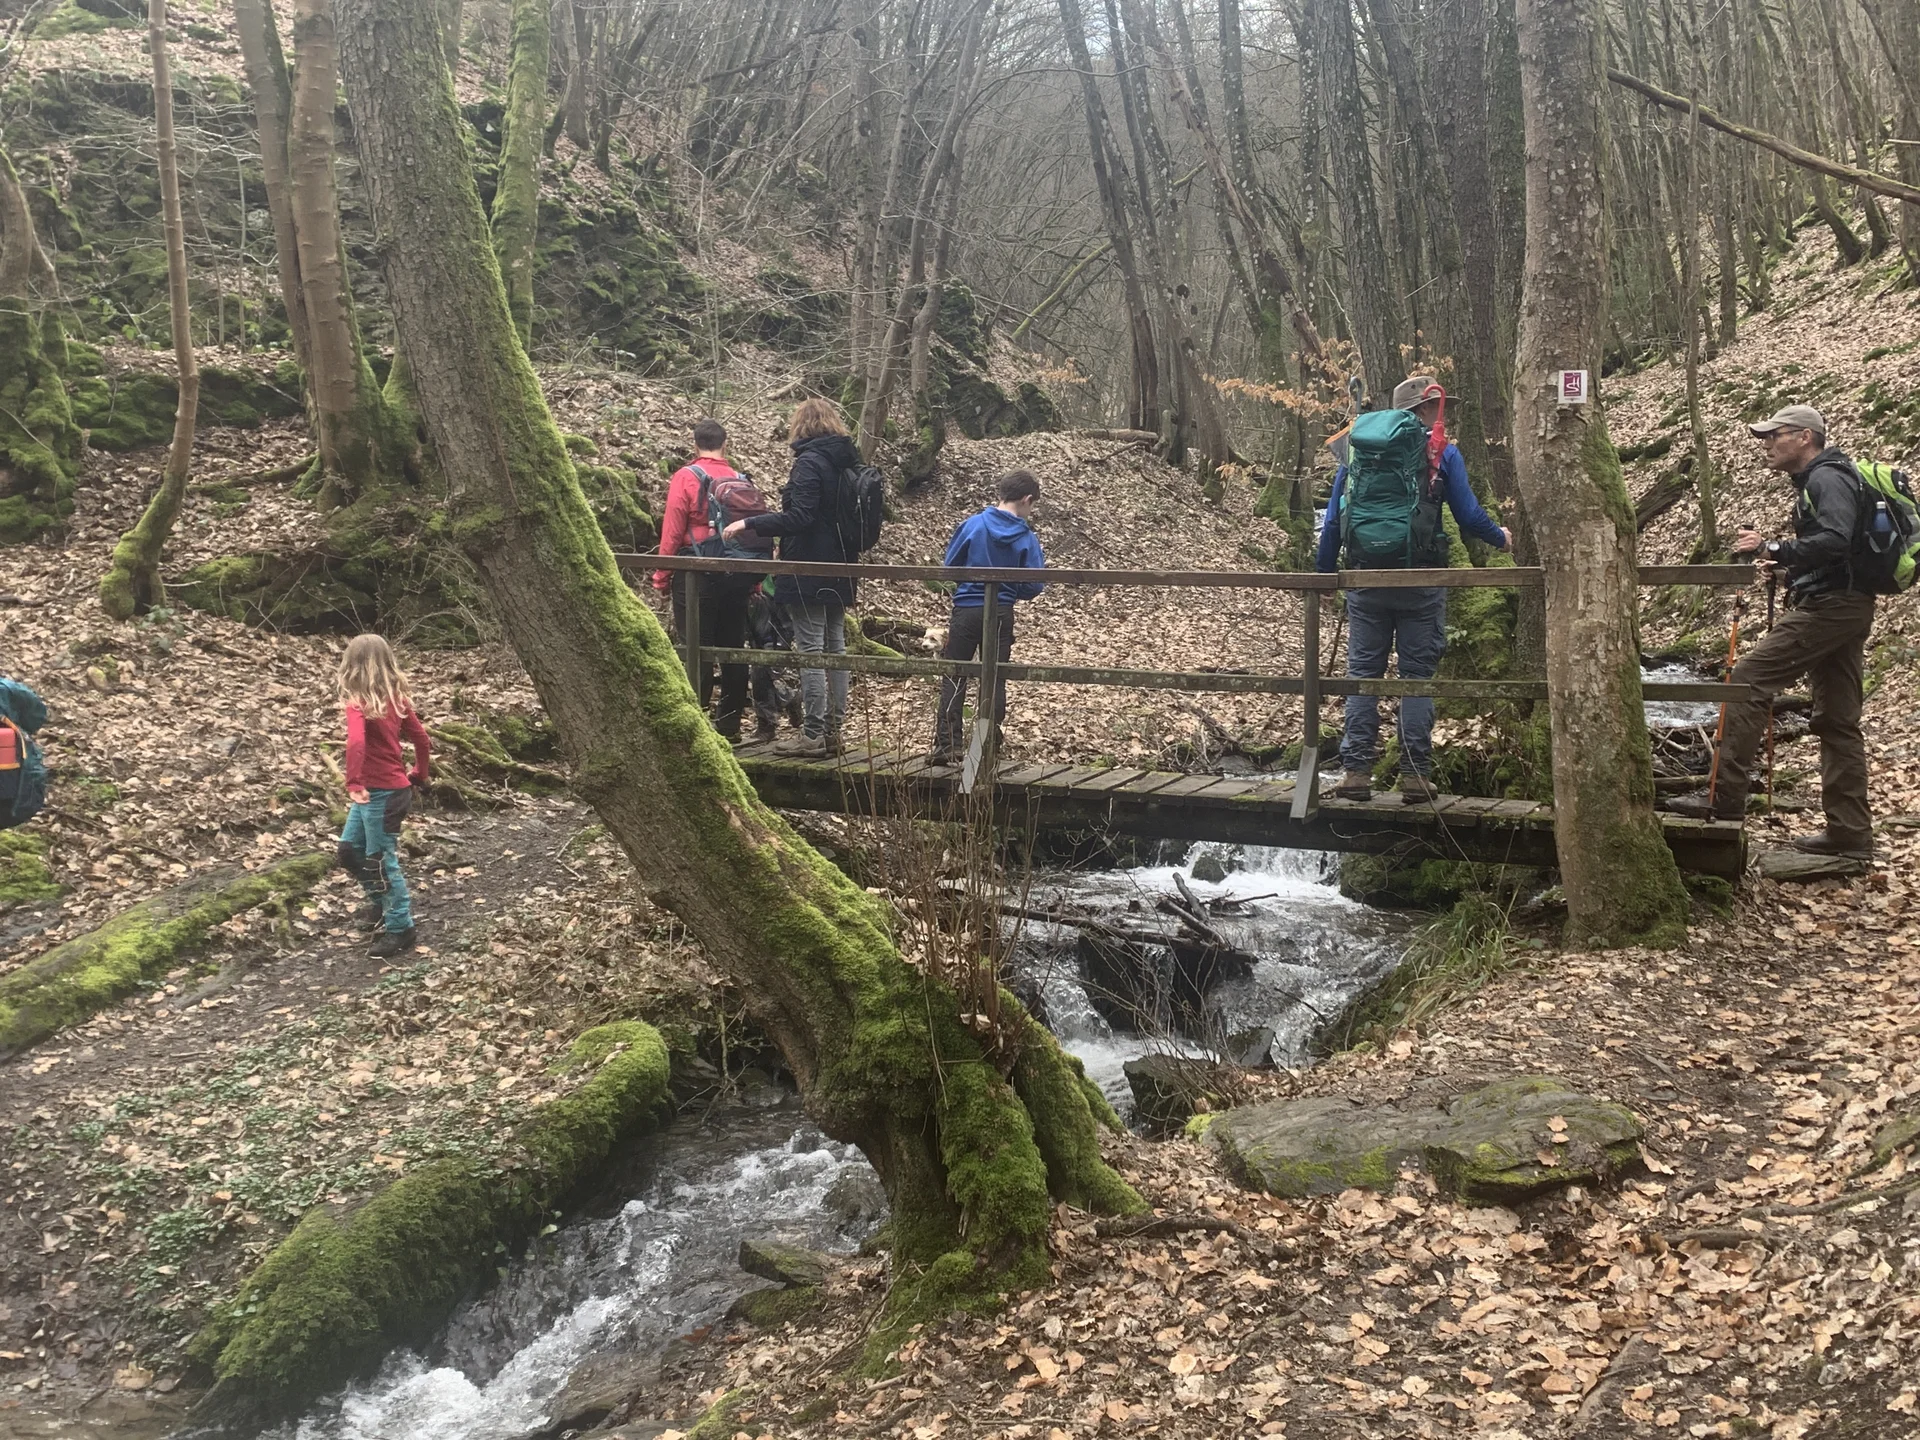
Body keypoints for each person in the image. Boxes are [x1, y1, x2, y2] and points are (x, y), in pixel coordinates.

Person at [1668, 406, 1877, 856]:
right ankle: (1850, 833)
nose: (1767, 444)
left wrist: (1775, 547)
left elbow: (1836, 540)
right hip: (1848, 603)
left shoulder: (1826, 478)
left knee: (1746, 680)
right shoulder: (1828, 477)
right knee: (1837, 719)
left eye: (1774, 435)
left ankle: (1723, 801)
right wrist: (1789, 568)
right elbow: (1837, 552)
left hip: (1832, 607)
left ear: (1804, 437)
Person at [1317, 374, 1512, 803]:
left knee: (1363, 675)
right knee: (1416, 678)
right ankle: (1415, 777)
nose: (1445, 415)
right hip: (1422, 581)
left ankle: (1356, 773)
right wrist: (1500, 537)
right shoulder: (1442, 453)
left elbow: (1333, 521)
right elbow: (1468, 516)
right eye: (1439, 407)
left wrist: (1325, 575)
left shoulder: (1357, 451)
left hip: (1365, 580)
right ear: (1423, 409)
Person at [723, 398, 861, 757]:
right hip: (842, 566)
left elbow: (801, 517)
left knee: (812, 649)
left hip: (808, 567)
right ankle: (832, 731)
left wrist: (749, 523)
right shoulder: (847, 462)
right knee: (835, 647)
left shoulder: (809, 462)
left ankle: (813, 733)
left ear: (801, 426)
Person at [652, 418, 762, 742]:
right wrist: (754, 581)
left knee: (695, 646)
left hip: (696, 572)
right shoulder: (739, 479)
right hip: (736, 573)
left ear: (695, 444)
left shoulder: (686, 477)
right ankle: (729, 725)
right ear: (725, 444)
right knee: (733, 647)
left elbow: (673, 531)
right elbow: (753, 535)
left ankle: (696, 726)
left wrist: (662, 576)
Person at [931, 470, 1047, 763]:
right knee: (994, 678)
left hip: (966, 609)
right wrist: (1012, 590)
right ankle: (985, 747)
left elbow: (950, 566)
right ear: (1026, 499)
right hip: (1001, 611)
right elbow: (1035, 585)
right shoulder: (1026, 538)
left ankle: (948, 745)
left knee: (954, 674)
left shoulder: (973, 525)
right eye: (1032, 505)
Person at [337, 634, 430, 957]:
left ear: (352, 665)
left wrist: (353, 782)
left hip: (382, 794)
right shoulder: (394, 701)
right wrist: (419, 773)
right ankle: (381, 903)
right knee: (350, 850)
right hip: (380, 791)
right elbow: (422, 741)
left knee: (380, 860)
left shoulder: (363, 703)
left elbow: (356, 743)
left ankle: (401, 927)